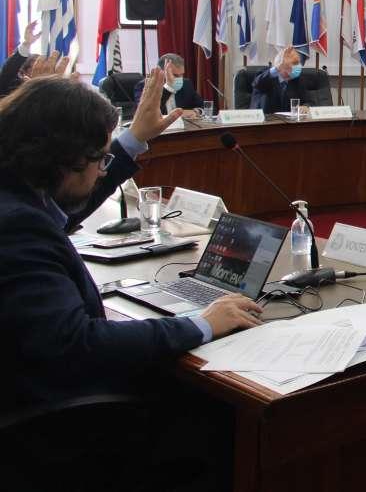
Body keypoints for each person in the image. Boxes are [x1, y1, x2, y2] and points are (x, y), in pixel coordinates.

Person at [0, 72, 264, 410]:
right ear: (62, 160)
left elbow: (59, 212)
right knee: (219, 404)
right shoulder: (18, 227)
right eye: (100, 159)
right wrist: (201, 324)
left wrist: (135, 138)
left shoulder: (18, 197)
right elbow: (77, 344)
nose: (102, 172)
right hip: (57, 416)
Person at [133, 53, 203, 116]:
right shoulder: (145, 86)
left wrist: (196, 111)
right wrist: (169, 87)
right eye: (175, 75)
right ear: (161, 72)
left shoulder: (186, 84)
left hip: (183, 125)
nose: (180, 79)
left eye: (181, 74)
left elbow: (203, 106)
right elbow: (145, 113)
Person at [250, 46, 307, 113]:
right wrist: (277, 68)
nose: (297, 67)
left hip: (288, 119)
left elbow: (308, 101)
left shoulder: (298, 80)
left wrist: (305, 106)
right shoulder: (265, 74)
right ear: (281, 65)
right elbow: (257, 84)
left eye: (297, 63)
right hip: (264, 118)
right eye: (294, 64)